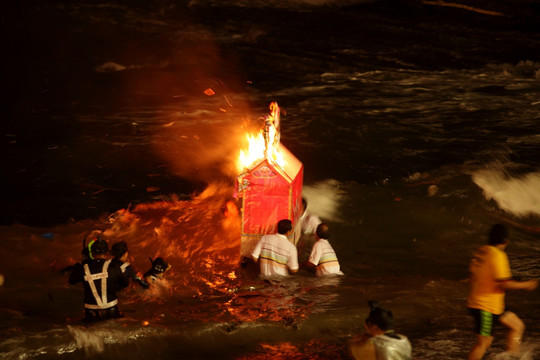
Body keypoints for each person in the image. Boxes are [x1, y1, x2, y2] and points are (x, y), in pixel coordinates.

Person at [467, 224, 538, 360]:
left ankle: (512, 357)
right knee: (483, 344)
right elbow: (504, 283)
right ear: (506, 240)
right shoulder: (498, 255)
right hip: (485, 307)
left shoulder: (481, 251)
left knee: (517, 326)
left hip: (493, 306)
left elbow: (472, 275)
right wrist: (526, 285)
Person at [69, 238, 129, 322]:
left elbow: (71, 280)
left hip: (91, 312)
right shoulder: (114, 267)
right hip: (111, 310)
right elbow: (125, 283)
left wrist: (80, 264)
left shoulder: (83, 268)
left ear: (92, 254)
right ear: (107, 253)